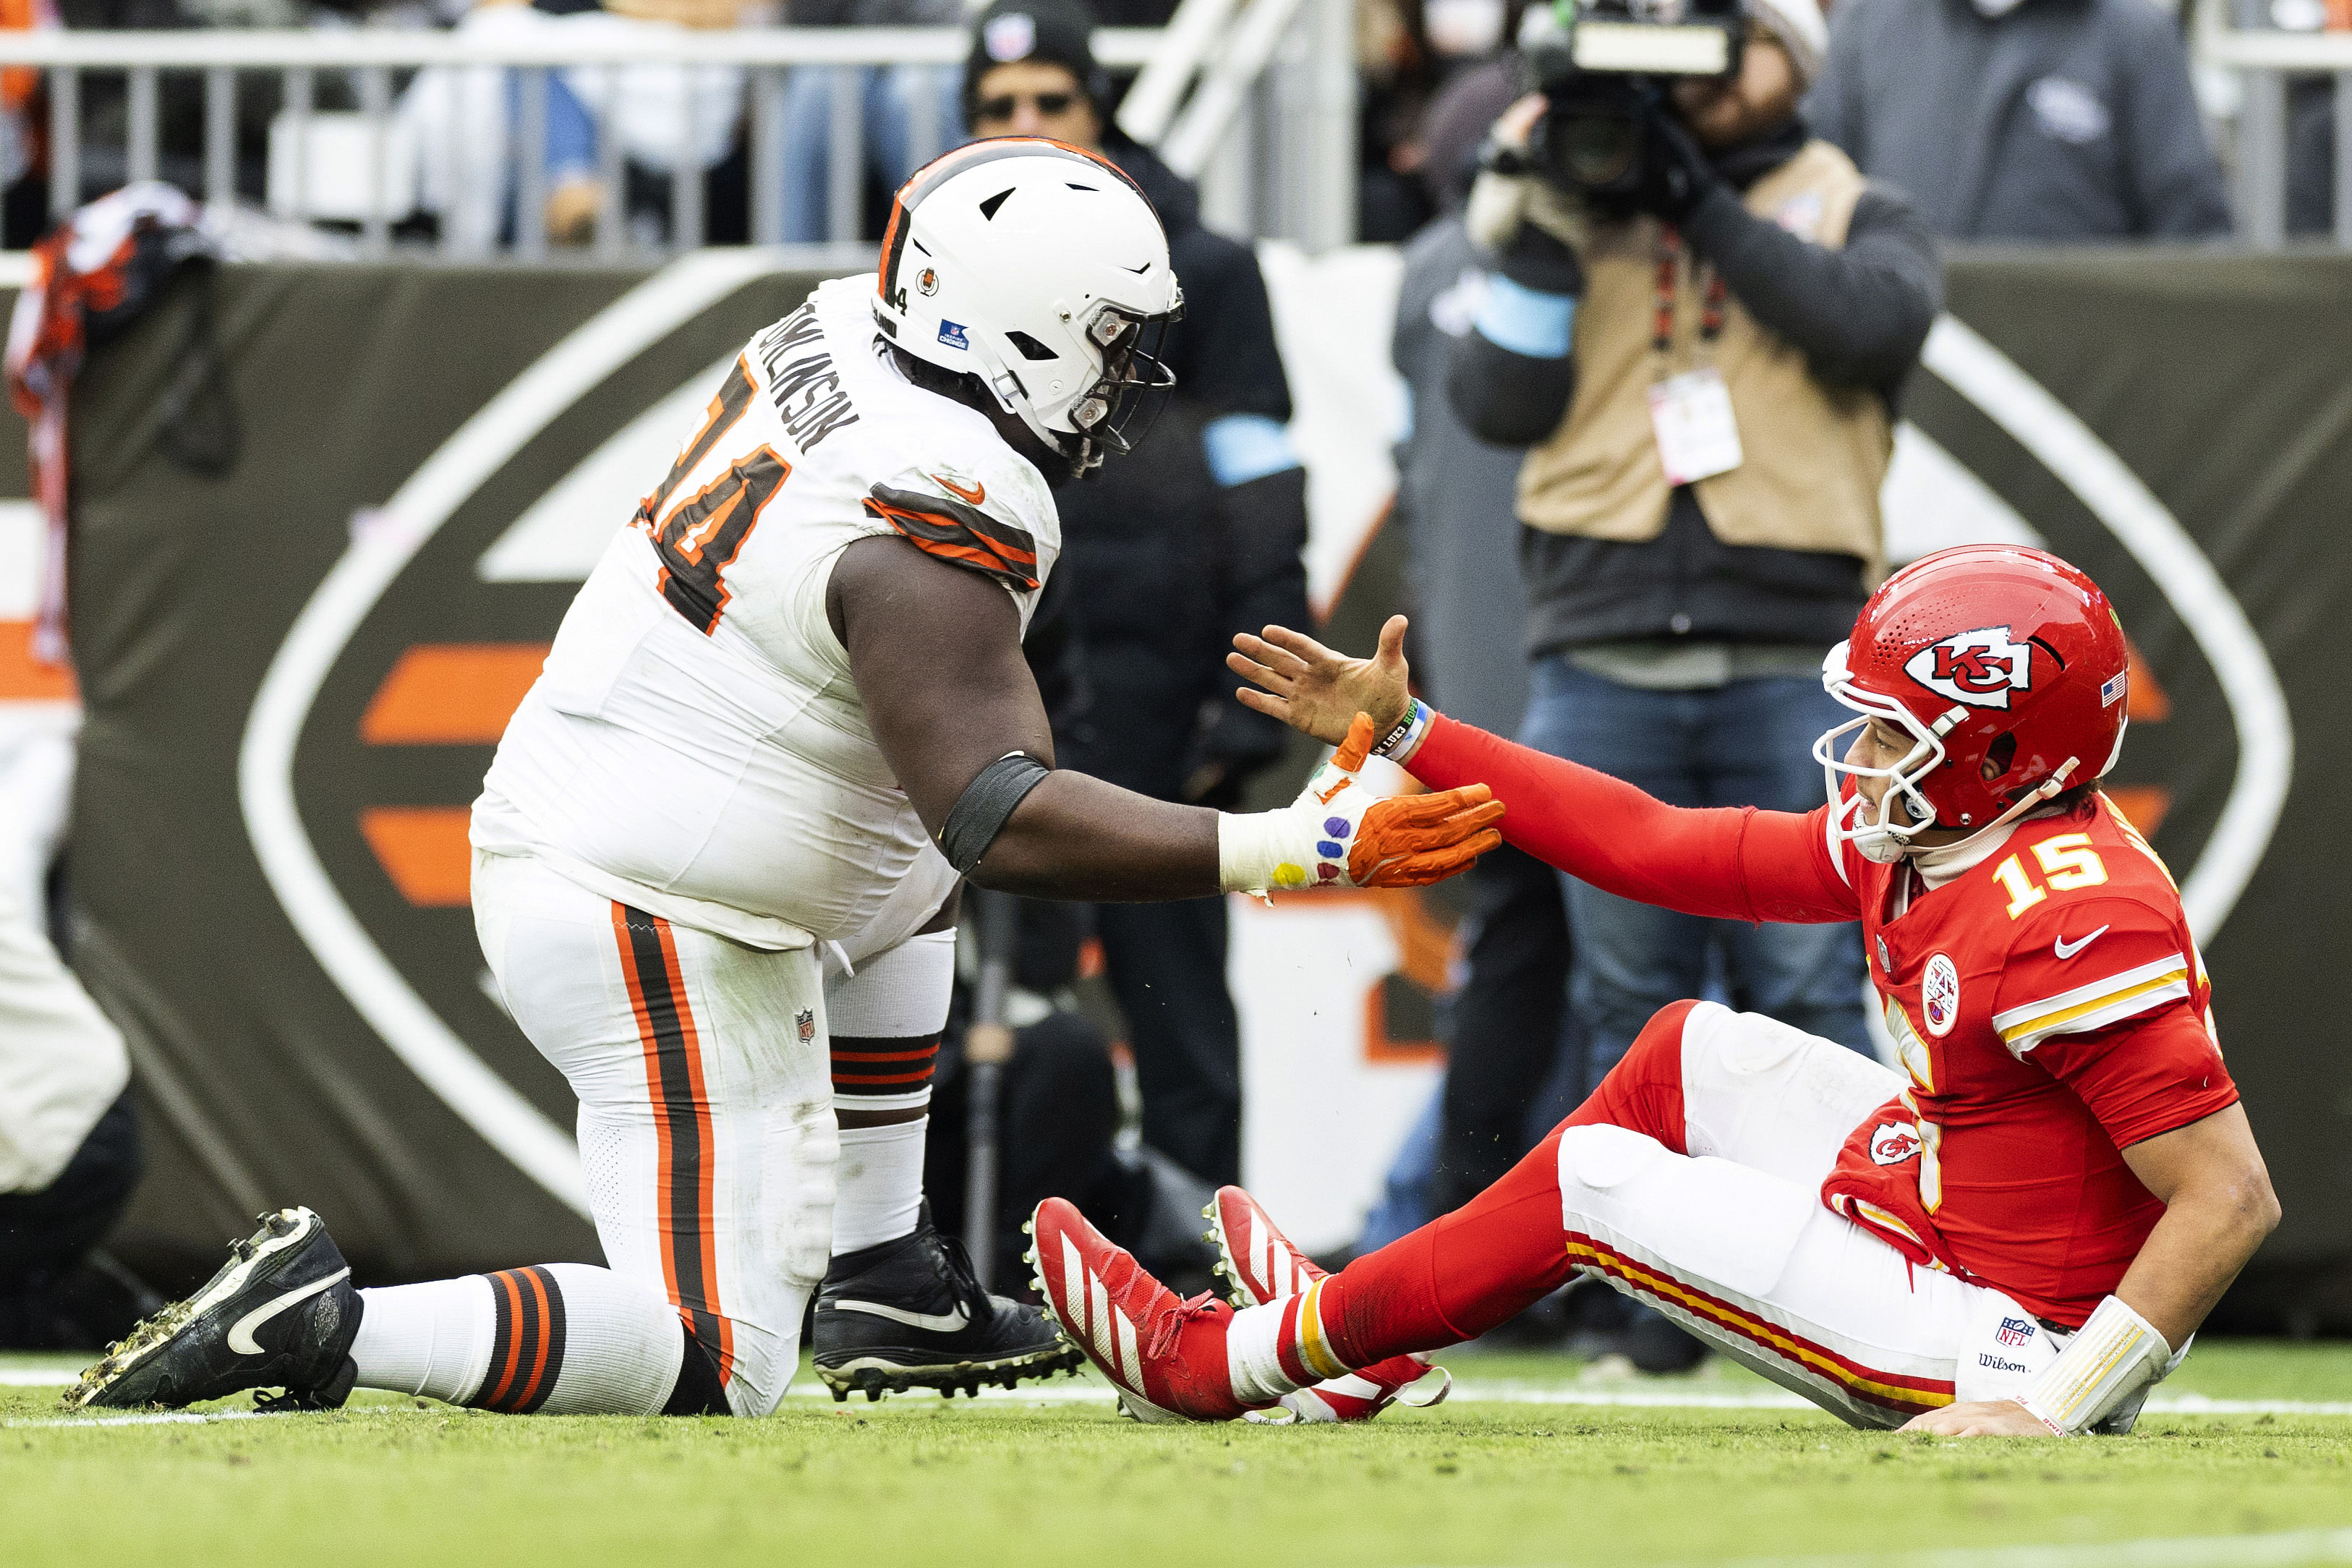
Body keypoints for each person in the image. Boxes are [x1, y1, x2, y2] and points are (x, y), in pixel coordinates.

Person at [64, 140, 1503, 1418]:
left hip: (640, 808)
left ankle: (886, 1274)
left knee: (895, 851)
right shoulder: (941, 498)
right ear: (1015, 326)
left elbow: (937, 816)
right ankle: (326, 1321)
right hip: (639, 898)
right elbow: (998, 814)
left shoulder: (846, 335)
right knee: (715, 1354)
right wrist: (1290, 848)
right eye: (1109, 336)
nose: (1129, 371)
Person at [1034, 545, 2281, 1439]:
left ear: (2003, 752)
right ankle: (1360, 1344)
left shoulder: (2069, 915)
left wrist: (2053, 1404)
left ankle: (1222, 1361)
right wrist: (1413, 730)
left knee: (1593, 1185)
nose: (1865, 754)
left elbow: (2226, 1199)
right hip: (1958, 1215)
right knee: (1684, 1048)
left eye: (1901, 732)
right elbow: (1655, 842)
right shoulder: (1959, 829)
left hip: (2005, 1335)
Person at [1449, 0, 1940, 1108]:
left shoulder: (1863, 205)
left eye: (1740, 38)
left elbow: (1869, 328)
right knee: (1630, 1010)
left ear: (1799, 60)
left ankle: (1839, 1272)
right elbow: (1494, 403)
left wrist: (1696, 204)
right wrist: (1542, 223)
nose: (1707, 71)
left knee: (1809, 996)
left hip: (1795, 667)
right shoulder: (1571, 200)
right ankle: (1647, 1284)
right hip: (1599, 660)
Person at [961, 0, 1315, 1191]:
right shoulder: (938, 265)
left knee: (1175, 996)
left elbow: (1263, 476)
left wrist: (1257, 677)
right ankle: (971, 1249)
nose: (1026, 124)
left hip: (1154, 673)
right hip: (990, 664)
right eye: (998, 109)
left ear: (1096, 106)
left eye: (1048, 101)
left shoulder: (1200, 268)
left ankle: (1202, 1269)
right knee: (985, 990)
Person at [1804, 0, 2230, 242]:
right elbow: (1810, 200)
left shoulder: (2135, 34)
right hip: (1899, 369)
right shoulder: (1867, 25)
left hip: (2078, 378)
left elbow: (2194, 237)